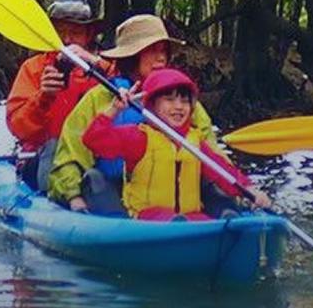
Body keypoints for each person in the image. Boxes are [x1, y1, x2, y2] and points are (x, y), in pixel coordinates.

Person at [47, 14, 215, 212]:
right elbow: (71, 154)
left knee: (211, 182)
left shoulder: (182, 100)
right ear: (131, 56)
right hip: (114, 191)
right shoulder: (100, 98)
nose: (161, 57)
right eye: (151, 50)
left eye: (163, 50)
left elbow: (211, 150)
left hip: (170, 192)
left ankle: (228, 212)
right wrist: (73, 196)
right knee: (94, 179)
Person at [80, 67, 271, 219]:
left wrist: (249, 190)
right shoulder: (138, 137)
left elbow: (221, 170)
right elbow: (93, 140)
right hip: (148, 217)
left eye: (184, 101)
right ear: (152, 105)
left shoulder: (194, 141)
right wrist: (114, 110)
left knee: (205, 220)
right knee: (169, 219)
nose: (179, 107)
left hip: (189, 216)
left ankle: (224, 227)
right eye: (169, 100)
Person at [4, 0, 101, 188]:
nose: (67, 40)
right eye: (59, 32)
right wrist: (42, 98)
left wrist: (96, 64)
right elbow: (19, 128)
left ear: (88, 35)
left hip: (92, 155)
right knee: (53, 147)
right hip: (42, 155)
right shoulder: (33, 68)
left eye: (75, 33)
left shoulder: (103, 68)